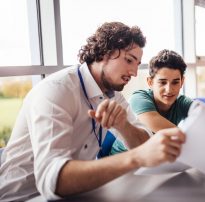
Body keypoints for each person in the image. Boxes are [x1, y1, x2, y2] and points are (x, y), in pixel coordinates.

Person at [0, 22, 185, 201]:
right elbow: (53, 180)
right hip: (25, 196)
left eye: (137, 64)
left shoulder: (113, 96)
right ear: (105, 52)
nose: (135, 72)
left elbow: (144, 143)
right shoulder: (57, 90)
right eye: (129, 60)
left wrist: (123, 126)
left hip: (77, 194)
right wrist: (136, 158)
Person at [110, 49, 192, 155]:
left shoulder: (183, 102)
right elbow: (180, 138)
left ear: (182, 82)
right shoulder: (139, 98)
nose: (169, 89)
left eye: (175, 82)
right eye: (162, 82)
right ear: (150, 82)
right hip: (123, 160)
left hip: (154, 160)